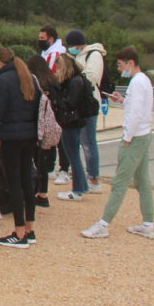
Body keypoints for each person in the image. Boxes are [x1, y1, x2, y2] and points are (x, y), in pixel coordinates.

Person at [82, 47, 154, 240]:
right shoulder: (143, 80)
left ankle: (104, 224)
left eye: (121, 64)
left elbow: (136, 114)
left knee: (120, 183)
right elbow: (138, 108)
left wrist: (128, 138)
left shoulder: (137, 82)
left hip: (135, 137)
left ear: (130, 63)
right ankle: (148, 223)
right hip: (144, 134)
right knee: (143, 181)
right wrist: (123, 101)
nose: (120, 68)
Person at [0, 46, 41, 248]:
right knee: (27, 180)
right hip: (29, 133)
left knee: (14, 182)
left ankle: (18, 231)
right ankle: (29, 227)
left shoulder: (5, 80)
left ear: (0, 63)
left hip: (11, 135)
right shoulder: (29, 77)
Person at [65, 29, 107, 193]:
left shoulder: (94, 54)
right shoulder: (78, 56)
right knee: (81, 142)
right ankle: (84, 176)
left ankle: (94, 178)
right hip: (79, 103)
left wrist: (73, 79)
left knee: (88, 143)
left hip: (89, 104)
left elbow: (92, 77)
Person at [26, 55, 63, 209]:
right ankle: (43, 193)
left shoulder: (36, 84)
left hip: (39, 127)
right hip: (52, 124)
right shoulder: (53, 81)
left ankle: (37, 191)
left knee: (35, 161)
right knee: (44, 160)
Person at [39, 24, 73, 185]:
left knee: (59, 134)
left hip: (56, 98)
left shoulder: (57, 54)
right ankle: (50, 166)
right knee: (50, 131)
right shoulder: (46, 53)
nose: (40, 41)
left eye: (42, 39)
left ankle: (64, 168)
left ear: (50, 39)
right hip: (50, 97)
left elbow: (53, 76)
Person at [54, 54, 91, 202]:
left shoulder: (75, 82)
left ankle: (77, 189)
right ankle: (81, 186)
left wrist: (56, 99)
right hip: (74, 121)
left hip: (71, 121)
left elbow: (69, 103)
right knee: (73, 155)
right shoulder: (76, 80)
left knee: (73, 155)